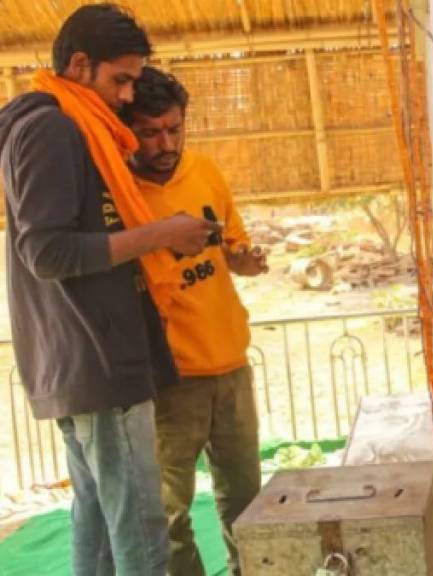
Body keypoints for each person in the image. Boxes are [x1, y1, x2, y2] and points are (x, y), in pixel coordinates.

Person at [0, 5, 219, 576]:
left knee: (98, 519)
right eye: (120, 79)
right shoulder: (52, 127)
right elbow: (45, 252)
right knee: (140, 523)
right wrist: (160, 235)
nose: (128, 95)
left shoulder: (78, 128)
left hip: (90, 356)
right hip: (95, 355)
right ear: (79, 65)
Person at [120, 66, 268, 576]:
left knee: (247, 501)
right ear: (127, 129)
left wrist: (243, 260)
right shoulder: (117, 195)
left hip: (231, 367)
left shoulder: (205, 171)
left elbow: (231, 244)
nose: (165, 143)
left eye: (175, 129)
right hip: (170, 382)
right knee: (170, 515)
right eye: (150, 131)